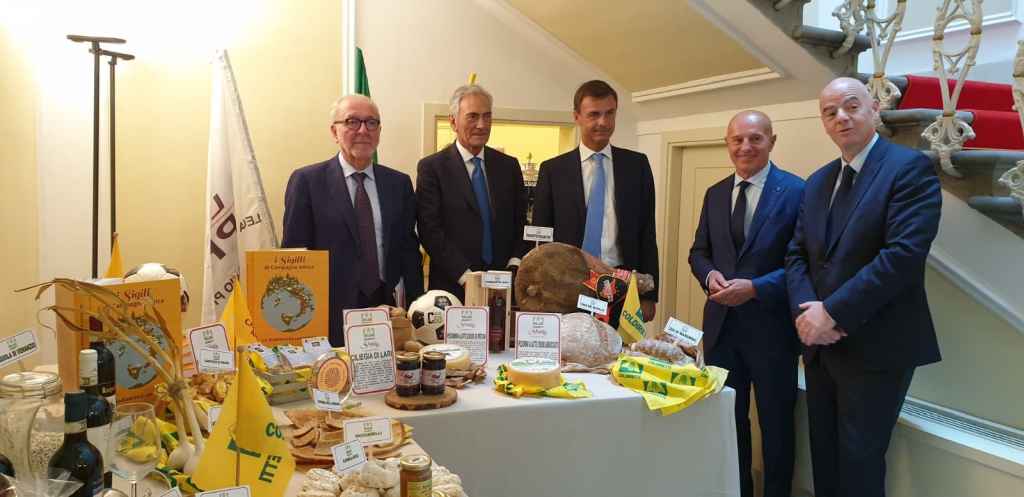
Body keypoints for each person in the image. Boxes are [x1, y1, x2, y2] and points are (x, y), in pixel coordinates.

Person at [785, 77, 942, 497]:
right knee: (824, 457)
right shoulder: (818, 181)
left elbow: (902, 255)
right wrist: (808, 312)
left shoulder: (908, 168)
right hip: (820, 346)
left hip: (877, 346)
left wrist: (832, 312)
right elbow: (797, 254)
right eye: (830, 112)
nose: (841, 117)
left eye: (851, 106)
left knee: (860, 465)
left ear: (874, 108)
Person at [688, 110, 803, 497]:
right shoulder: (715, 193)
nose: (745, 146)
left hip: (773, 332)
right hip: (722, 330)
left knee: (776, 427)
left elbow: (803, 264)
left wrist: (756, 287)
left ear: (772, 141)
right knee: (728, 422)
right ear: (727, 143)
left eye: (755, 138)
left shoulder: (797, 192)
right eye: (737, 139)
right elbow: (699, 252)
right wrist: (709, 276)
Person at [281, 95, 424, 345]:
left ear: (379, 131)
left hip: (386, 312)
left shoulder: (399, 184)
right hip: (327, 316)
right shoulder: (307, 182)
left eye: (371, 122)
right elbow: (295, 256)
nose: (363, 130)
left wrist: (415, 308)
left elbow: (408, 251)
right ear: (334, 131)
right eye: (352, 122)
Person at [532, 80, 659, 324]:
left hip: (621, 287)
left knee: (619, 348)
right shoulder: (553, 170)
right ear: (577, 117)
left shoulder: (637, 166)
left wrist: (649, 296)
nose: (603, 122)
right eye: (594, 114)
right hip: (567, 286)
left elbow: (647, 232)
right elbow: (542, 239)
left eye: (609, 113)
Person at [416, 84, 529, 300]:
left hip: (504, 286)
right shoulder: (432, 168)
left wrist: (515, 264)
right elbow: (430, 230)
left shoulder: (509, 166)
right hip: (453, 288)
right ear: (453, 122)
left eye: (487, 116)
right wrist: (466, 277)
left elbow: (521, 222)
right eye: (473, 117)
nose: (481, 125)